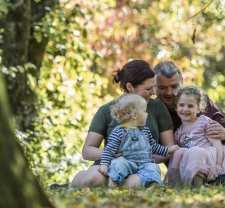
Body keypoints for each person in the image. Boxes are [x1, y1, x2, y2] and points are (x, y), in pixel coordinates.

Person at [69, 60, 175, 188]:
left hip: (142, 166)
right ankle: (82, 177)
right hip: (110, 164)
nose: (153, 92)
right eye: (148, 88)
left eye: (154, 87)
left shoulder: (158, 108)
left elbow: (168, 148)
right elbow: (87, 151)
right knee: (92, 180)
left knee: (132, 185)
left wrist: (141, 156)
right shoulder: (106, 110)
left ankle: (115, 185)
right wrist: (113, 154)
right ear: (130, 87)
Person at [98, 94, 179, 188]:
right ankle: (113, 184)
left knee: (153, 167)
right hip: (127, 161)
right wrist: (104, 164)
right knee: (117, 163)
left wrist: (168, 150)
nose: (147, 114)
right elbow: (109, 150)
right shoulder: (119, 131)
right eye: (144, 111)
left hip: (144, 163)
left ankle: (153, 184)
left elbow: (154, 147)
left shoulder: (145, 130)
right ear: (134, 115)